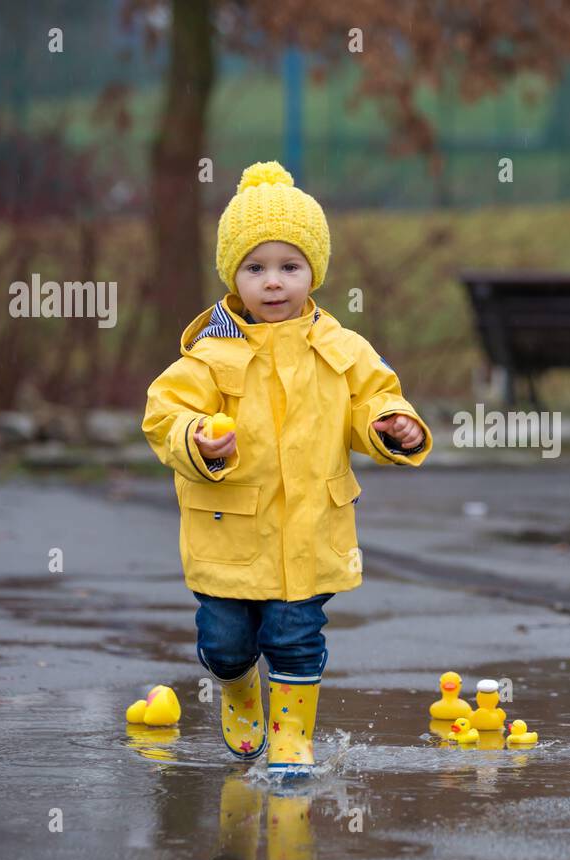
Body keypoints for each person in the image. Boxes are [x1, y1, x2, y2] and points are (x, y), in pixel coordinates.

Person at [141, 160, 432, 776]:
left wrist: (391, 425)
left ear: (313, 273)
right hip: (228, 533)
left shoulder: (341, 348)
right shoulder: (209, 353)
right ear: (233, 276)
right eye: (256, 268)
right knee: (226, 642)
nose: (273, 283)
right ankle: (238, 686)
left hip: (310, 532)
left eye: (289, 267)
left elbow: (371, 399)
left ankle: (292, 738)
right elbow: (165, 415)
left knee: (297, 636)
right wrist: (198, 437)